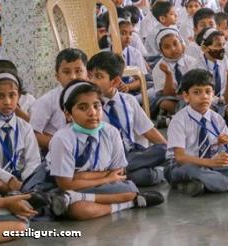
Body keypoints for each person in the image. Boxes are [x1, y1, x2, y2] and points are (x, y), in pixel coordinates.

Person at [47, 81, 164, 219]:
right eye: (82, 108)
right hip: (65, 188)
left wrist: (80, 176)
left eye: (96, 106)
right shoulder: (62, 138)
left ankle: (74, 198)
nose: (92, 113)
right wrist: (106, 177)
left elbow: (118, 172)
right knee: (80, 209)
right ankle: (131, 202)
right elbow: (65, 183)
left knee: (128, 189)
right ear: (68, 114)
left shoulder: (111, 132)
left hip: (92, 187)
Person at [164, 70, 228, 197]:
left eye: (208, 92)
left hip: (210, 164)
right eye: (197, 92)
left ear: (213, 95)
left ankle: (201, 183)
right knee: (191, 169)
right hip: (180, 166)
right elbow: (180, 158)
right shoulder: (179, 120)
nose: (204, 96)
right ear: (186, 96)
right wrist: (210, 163)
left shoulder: (217, 119)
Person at [87, 52, 167, 187]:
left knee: (164, 149)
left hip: (132, 153)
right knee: (142, 176)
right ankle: (159, 172)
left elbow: (148, 130)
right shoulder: (90, 107)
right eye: (90, 76)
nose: (92, 81)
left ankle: (123, 173)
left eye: (98, 76)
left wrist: (170, 151)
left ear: (115, 81)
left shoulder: (129, 101)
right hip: (108, 159)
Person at [31, 49, 88, 151]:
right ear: (57, 76)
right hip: (57, 153)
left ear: (87, 73)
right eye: (66, 72)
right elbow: (33, 133)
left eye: (78, 71)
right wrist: (61, 145)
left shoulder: (94, 97)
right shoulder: (47, 100)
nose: (73, 77)